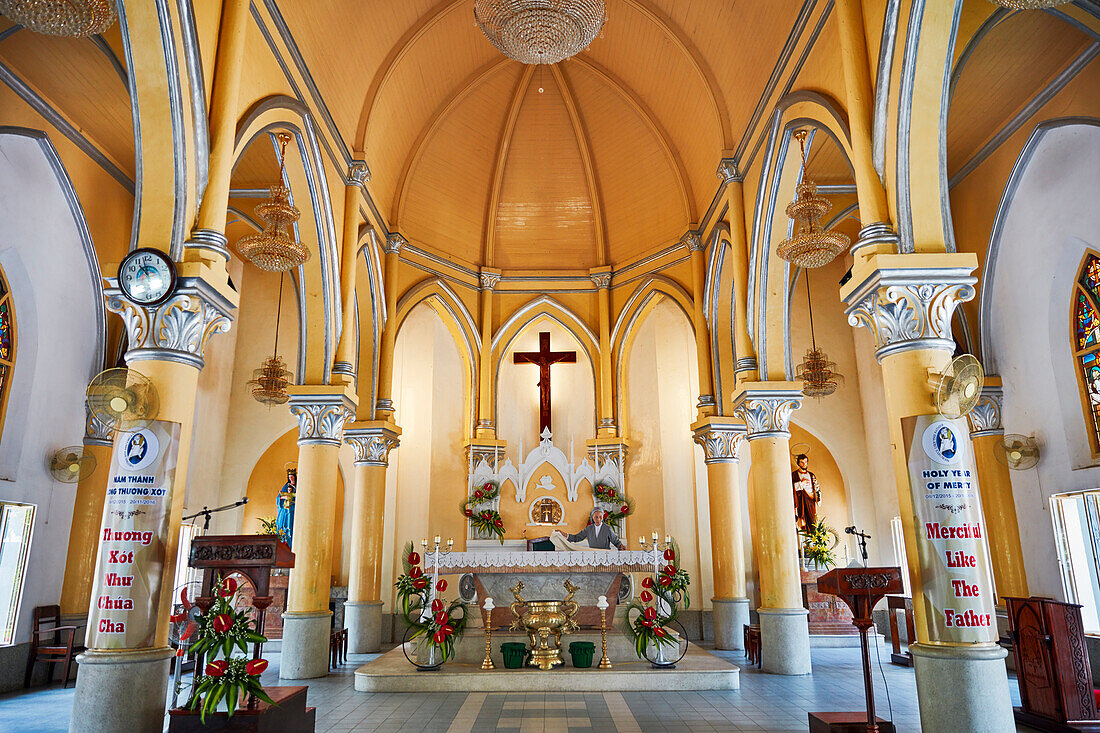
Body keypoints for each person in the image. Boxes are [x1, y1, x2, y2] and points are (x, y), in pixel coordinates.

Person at [791, 453, 820, 531]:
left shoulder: (811, 475)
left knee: (812, 521)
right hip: (801, 501)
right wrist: (801, 484)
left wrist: (818, 497)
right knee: (802, 520)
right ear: (798, 463)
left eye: (806, 462)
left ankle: (814, 538)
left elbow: (816, 488)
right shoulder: (794, 475)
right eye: (802, 462)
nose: (804, 464)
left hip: (810, 501)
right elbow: (790, 488)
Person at [275, 465, 296, 548]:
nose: (291, 479)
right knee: (283, 526)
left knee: (291, 526)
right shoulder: (286, 486)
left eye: (292, 477)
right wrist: (283, 497)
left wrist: (293, 501)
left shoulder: (298, 486)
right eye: (289, 477)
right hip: (285, 509)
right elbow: (279, 497)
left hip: (293, 509)